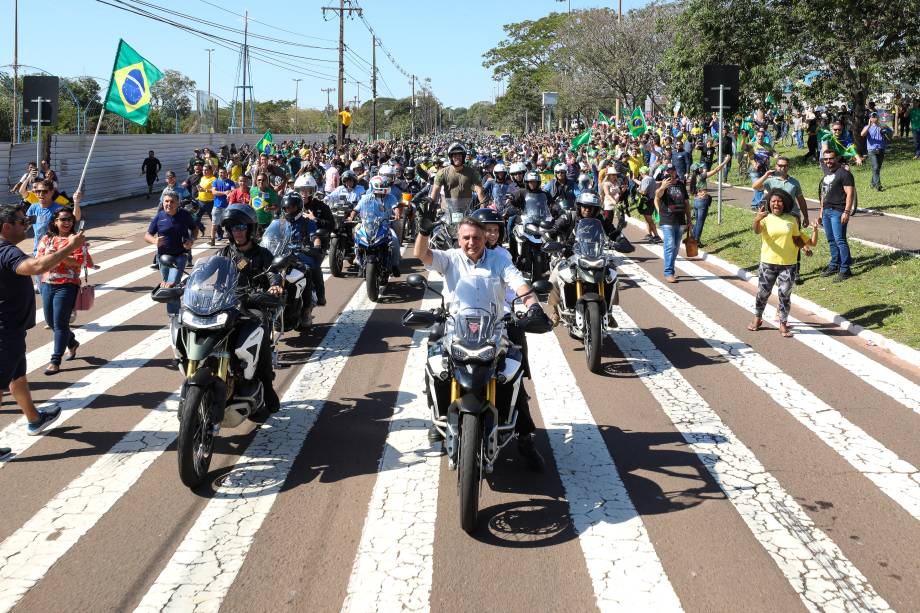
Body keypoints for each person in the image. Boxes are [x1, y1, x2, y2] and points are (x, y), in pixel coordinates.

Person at [414, 215, 550, 470]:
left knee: (513, 375)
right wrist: (423, 229)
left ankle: (525, 439)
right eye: (466, 237)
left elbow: (518, 283)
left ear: (485, 238)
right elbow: (422, 254)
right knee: (434, 365)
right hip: (456, 327)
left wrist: (533, 307)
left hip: (495, 328)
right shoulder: (450, 258)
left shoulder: (500, 259)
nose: (471, 242)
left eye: (476, 237)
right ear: (459, 238)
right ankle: (437, 415)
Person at [1, 204, 86, 436]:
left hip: (13, 329)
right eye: (22, 222)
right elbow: (37, 266)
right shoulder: (7, 252)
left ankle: (34, 419)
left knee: (17, 377)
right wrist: (71, 247)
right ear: (7, 227)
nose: (27, 226)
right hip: (5, 331)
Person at [218, 205, 283, 414]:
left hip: (253, 306)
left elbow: (273, 272)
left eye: (240, 226)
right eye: (232, 227)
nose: (237, 231)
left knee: (260, 331)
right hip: (227, 305)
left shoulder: (262, 253)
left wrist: (274, 285)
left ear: (249, 228)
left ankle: (268, 386)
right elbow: (211, 271)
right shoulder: (225, 252)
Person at [749, 189, 819, 337]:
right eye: (773, 201)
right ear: (769, 203)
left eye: (779, 201)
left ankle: (783, 323)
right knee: (763, 293)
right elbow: (756, 231)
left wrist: (808, 243)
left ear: (784, 204)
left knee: (784, 295)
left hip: (788, 264)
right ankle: (757, 318)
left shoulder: (791, 220)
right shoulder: (765, 218)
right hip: (768, 262)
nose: (776, 204)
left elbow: (797, 239)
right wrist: (756, 219)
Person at [35, 208, 93, 374]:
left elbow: (80, 262)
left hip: (67, 284)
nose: (67, 222)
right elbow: (39, 259)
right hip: (47, 283)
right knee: (51, 322)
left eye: (69, 220)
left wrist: (59, 255)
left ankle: (55, 360)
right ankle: (72, 343)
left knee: (60, 323)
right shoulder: (47, 239)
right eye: (63, 219)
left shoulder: (76, 240)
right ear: (55, 222)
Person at [144, 189, 199, 320]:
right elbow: (147, 235)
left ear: (178, 203)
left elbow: (195, 229)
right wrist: (154, 241)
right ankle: (175, 317)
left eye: (171, 202)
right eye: (166, 201)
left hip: (180, 256)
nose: (168, 204)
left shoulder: (185, 215)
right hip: (163, 258)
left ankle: (174, 317)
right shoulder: (159, 216)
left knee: (171, 284)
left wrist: (191, 240)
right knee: (168, 287)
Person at [280, 192, 327, 307]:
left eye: (292, 207)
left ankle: (310, 305)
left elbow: (314, 237)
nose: (289, 210)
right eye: (286, 208)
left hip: (302, 255)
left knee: (311, 271)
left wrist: (317, 246)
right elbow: (272, 236)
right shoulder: (280, 223)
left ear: (299, 207)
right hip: (284, 255)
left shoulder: (308, 223)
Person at [817, 150, 856, 282]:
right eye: (826, 159)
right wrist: (821, 212)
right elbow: (823, 194)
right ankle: (834, 264)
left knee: (840, 240)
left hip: (838, 211)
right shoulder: (827, 174)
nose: (828, 161)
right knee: (831, 240)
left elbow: (850, 194)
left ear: (837, 158)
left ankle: (845, 269)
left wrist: (846, 212)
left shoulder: (845, 174)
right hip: (827, 211)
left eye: (831, 158)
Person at [654, 164, 690, 283]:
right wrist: (663, 187)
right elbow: (657, 197)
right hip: (667, 220)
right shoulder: (662, 185)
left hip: (680, 220)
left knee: (675, 247)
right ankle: (668, 272)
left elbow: (686, 203)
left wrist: (689, 219)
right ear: (665, 173)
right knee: (670, 245)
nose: (670, 173)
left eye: (672, 171)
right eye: (668, 171)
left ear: (675, 172)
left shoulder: (681, 185)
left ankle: (671, 268)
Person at [430, 142, 486, 209]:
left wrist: (483, 206)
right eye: (454, 155)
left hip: (466, 211)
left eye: (459, 155)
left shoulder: (472, 172)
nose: (457, 157)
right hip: (447, 212)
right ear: (451, 157)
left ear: (463, 156)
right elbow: (435, 191)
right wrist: (431, 206)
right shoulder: (442, 173)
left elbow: (479, 190)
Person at [861, 112, 889, 191]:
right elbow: (862, 134)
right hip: (871, 150)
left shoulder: (882, 126)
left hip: (881, 149)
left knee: (877, 168)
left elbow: (890, 133)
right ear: (870, 118)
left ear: (878, 117)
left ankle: (872, 183)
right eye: (872, 117)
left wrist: (883, 128)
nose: (874, 118)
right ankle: (878, 185)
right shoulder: (867, 127)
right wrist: (869, 125)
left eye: (875, 116)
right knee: (875, 167)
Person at [210, 167, 236, 243]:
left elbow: (233, 191)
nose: (222, 174)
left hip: (228, 206)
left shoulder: (231, 182)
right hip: (217, 206)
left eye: (224, 172)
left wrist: (230, 193)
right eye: (221, 172)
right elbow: (214, 192)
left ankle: (229, 239)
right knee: (214, 224)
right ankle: (212, 240)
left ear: (226, 173)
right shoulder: (215, 182)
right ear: (218, 173)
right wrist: (225, 193)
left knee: (228, 224)